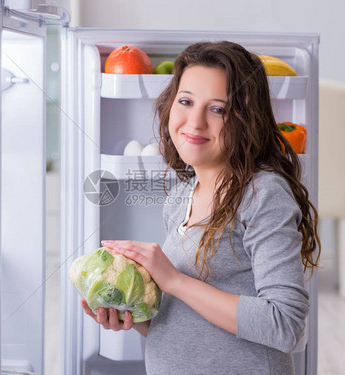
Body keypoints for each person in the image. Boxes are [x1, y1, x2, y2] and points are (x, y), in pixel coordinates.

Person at [81, 41, 321, 374]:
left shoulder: (262, 194)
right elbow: (188, 324)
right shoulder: (182, 195)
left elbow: (285, 324)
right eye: (186, 101)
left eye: (217, 108)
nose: (195, 122)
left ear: (246, 120)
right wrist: (133, 315)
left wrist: (173, 280)